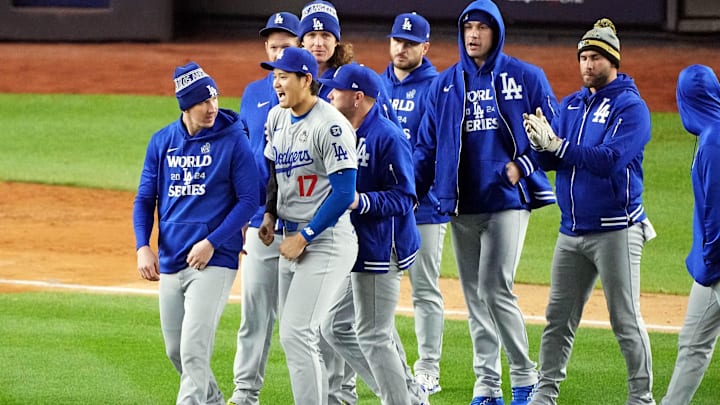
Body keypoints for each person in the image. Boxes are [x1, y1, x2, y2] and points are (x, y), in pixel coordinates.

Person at [413, 1, 558, 404]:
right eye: (468, 28)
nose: (473, 35)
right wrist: (408, 196)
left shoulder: (525, 77)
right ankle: (487, 386)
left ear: (496, 32)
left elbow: (553, 131)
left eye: (482, 28)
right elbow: (426, 149)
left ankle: (525, 377)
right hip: (462, 204)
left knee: (494, 288)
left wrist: (524, 164)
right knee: (475, 297)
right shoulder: (443, 85)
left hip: (508, 201)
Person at [523, 18, 656, 405]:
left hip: (617, 229)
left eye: (595, 57)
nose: (587, 64)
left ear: (613, 61)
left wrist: (559, 146)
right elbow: (558, 160)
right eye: (583, 57)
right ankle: (544, 395)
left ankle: (641, 398)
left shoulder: (632, 108)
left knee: (625, 320)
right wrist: (540, 146)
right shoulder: (572, 104)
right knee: (557, 320)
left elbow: (611, 160)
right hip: (571, 231)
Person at [132, 61, 259, 405]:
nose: (211, 107)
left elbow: (249, 200)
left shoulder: (234, 141)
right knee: (176, 351)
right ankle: (214, 400)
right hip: (172, 259)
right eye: (202, 101)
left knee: (193, 350)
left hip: (215, 260)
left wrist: (212, 241)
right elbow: (145, 199)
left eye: (214, 97)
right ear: (185, 105)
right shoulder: (162, 142)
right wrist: (143, 246)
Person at [319, 63, 428, 405]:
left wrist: (359, 201)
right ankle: (404, 394)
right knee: (335, 326)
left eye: (336, 88)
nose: (329, 92)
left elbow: (404, 197)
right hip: (358, 247)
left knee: (373, 334)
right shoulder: (342, 130)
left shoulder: (386, 136)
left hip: (384, 248)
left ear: (358, 96)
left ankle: (400, 399)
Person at [258, 46, 359, 405]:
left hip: (327, 239)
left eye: (283, 76)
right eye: (274, 76)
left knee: (297, 332)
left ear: (305, 80)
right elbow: (273, 172)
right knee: (300, 334)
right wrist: (270, 214)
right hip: (291, 236)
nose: (277, 83)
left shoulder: (330, 125)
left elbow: (345, 192)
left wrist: (305, 236)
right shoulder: (276, 118)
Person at [227, 11, 299, 405]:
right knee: (253, 315)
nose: (277, 52)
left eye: (285, 46)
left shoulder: (315, 93)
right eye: (272, 46)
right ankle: (245, 393)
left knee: (303, 323)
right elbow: (243, 156)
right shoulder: (254, 92)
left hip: (302, 224)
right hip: (259, 221)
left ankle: (328, 392)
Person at [379, 11, 449, 396]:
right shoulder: (376, 85)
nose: (401, 48)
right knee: (376, 288)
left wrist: (412, 193)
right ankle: (394, 367)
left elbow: (435, 149)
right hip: (382, 205)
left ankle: (428, 368)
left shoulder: (437, 87)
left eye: (410, 43)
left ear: (425, 46)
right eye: (397, 41)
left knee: (424, 288)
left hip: (423, 206)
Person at [660, 64, 720, 405]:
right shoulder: (711, 134)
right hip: (710, 268)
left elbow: (716, 213)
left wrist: (710, 262)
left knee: (694, 345)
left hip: (716, 265)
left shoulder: (714, 141)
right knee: (693, 344)